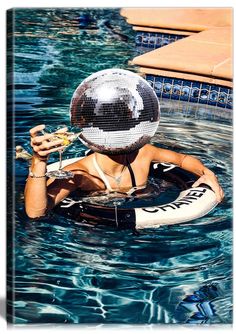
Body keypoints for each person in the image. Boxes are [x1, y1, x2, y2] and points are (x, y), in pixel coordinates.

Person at [24, 69, 224, 219]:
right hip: (95, 231)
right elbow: (35, 212)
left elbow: (182, 159)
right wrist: (39, 160)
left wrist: (208, 174)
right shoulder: (80, 174)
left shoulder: (143, 153)